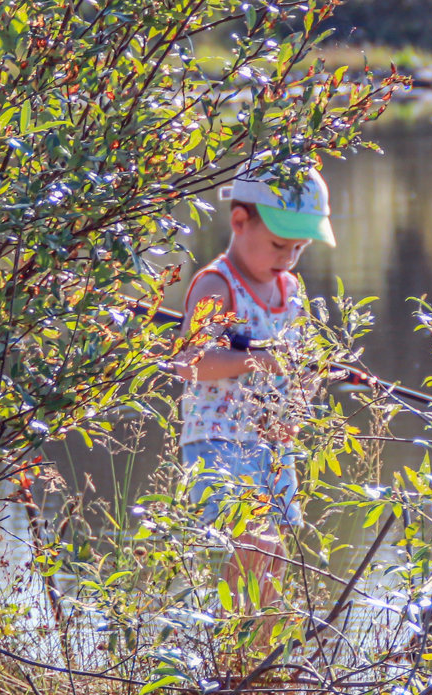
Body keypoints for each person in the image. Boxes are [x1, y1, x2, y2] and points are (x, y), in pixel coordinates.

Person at [173, 159, 334, 625]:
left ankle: (262, 660)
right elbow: (188, 362)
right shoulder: (216, 284)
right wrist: (257, 359)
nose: (288, 258)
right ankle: (236, 652)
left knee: (273, 556)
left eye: (299, 248)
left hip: (272, 443)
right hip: (219, 440)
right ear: (239, 221)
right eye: (279, 244)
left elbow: (300, 366)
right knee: (251, 544)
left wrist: (299, 402)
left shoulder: (291, 289)